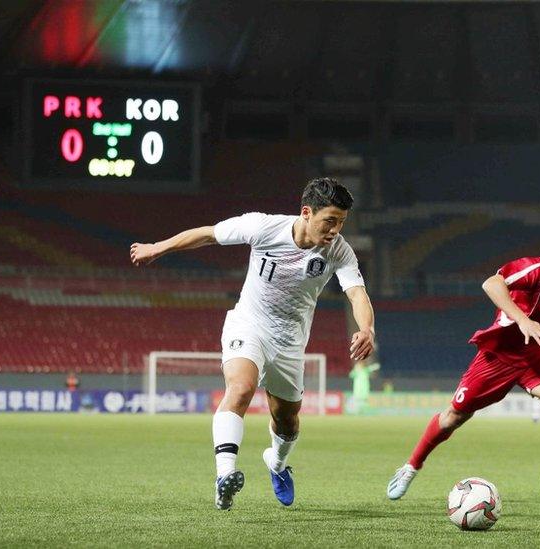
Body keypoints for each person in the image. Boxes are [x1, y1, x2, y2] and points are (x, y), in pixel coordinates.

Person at [130, 178, 375, 511]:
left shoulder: (338, 251)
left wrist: (367, 328)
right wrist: (157, 247)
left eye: (341, 223)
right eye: (329, 221)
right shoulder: (262, 227)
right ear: (306, 212)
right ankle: (224, 477)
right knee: (241, 388)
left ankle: (275, 463)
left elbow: (357, 293)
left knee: (287, 421)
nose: (335, 230)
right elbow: (208, 233)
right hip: (250, 324)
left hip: (290, 341)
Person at [387, 226, 540, 502]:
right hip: (499, 354)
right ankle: (410, 467)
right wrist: (523, 319)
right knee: (454, 416)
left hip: (534, 356)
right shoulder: (539, 269)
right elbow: (491, 284)